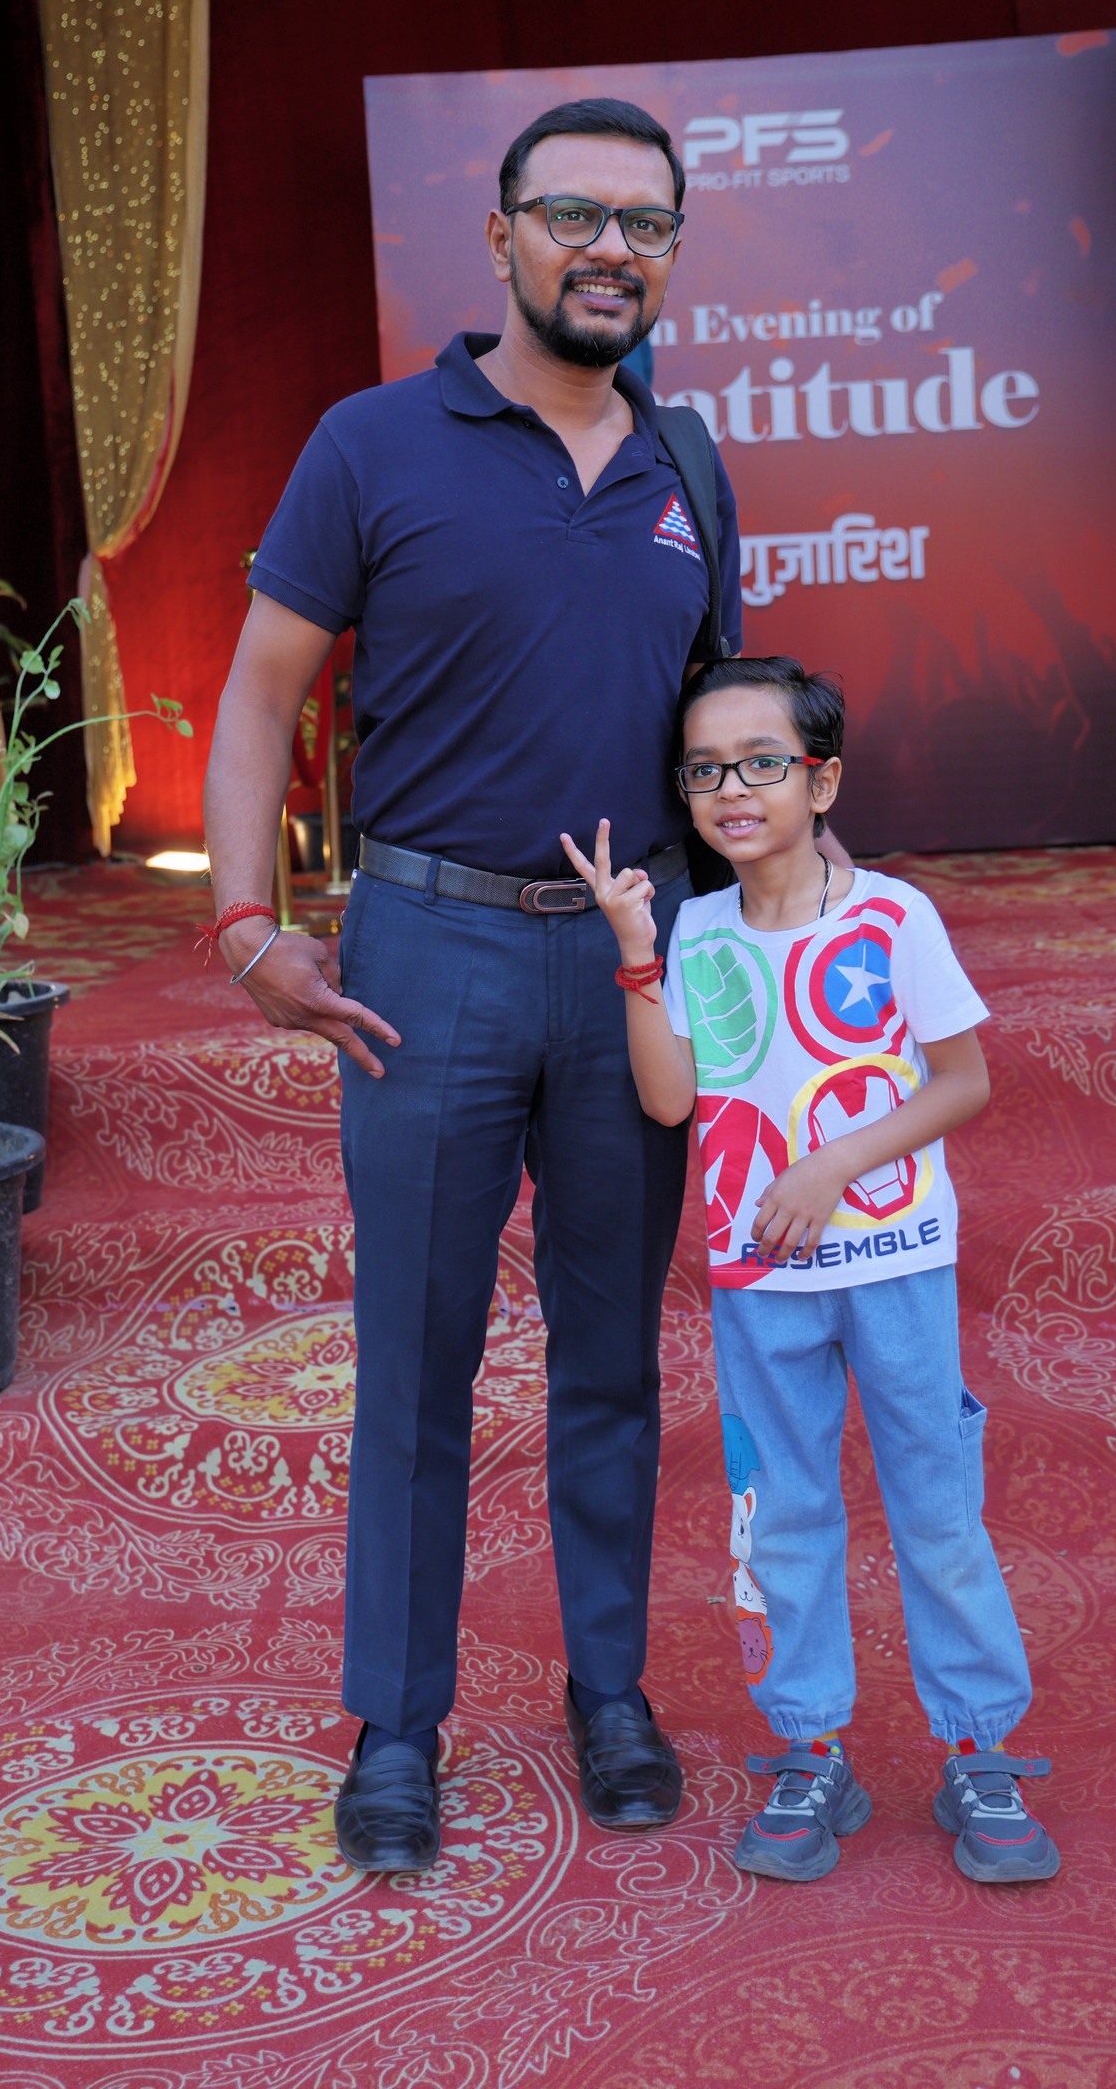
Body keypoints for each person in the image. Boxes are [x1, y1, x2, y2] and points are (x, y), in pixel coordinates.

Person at [203, 97, 745, 1871]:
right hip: (427, 954)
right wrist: (245, 926)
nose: (611, 250)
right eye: (575, 214)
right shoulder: (372, 444)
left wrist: (753, 944)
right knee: (416, 1357)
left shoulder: (691, 468)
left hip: (628, 957)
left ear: (672, 256)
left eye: (645, 225)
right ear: (503, 236)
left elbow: (718, 736)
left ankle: (612, 1692)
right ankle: (398, 1723)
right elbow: (262, 691)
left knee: (612, 1353)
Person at [561, 654, 1061, 1886]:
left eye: (762, 764)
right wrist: (635, 954)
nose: (732, 790)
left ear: (821, 781)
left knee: (935, 1509)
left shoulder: (890, 918)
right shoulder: (697, 930)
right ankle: (811, 1748)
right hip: (758, 1282)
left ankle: (978, 1750)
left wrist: (834, 1163)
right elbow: (669, 1099)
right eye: (704, 772)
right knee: (779, 1517)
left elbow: (962, 1081)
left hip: (893, 1261)